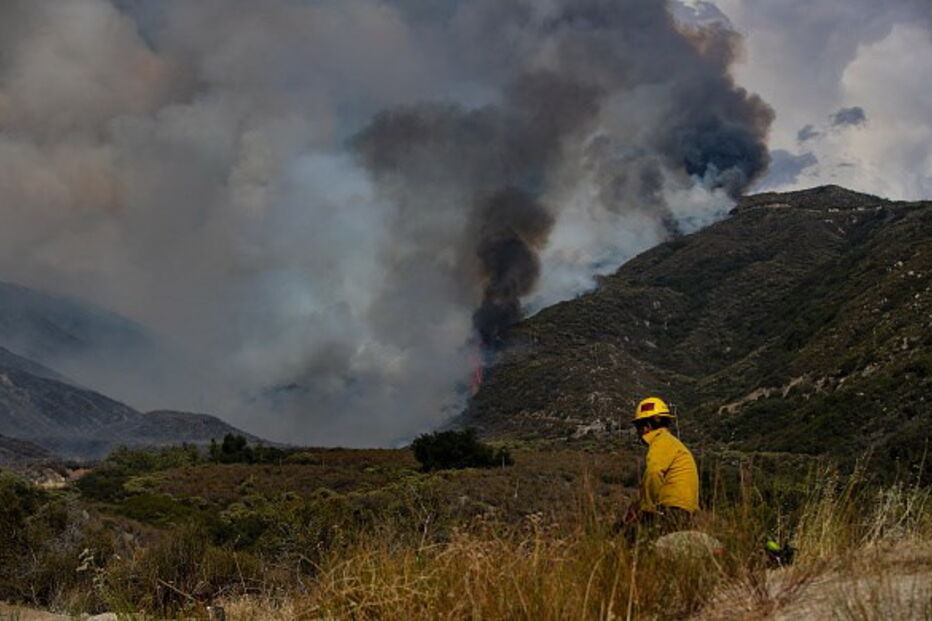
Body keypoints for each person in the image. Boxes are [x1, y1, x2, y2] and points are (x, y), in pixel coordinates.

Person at [621, 396, 699, 536]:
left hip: (672, 513)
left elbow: (653, 472)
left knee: (626, 534)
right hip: (684, 513)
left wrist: (646, 508)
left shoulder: (660, 442)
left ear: (646, 427)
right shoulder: (672, 443)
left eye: (638, 427)